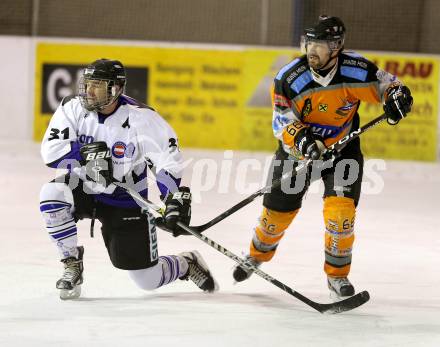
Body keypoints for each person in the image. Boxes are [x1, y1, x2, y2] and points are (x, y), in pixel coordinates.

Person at [232, 15, 413, 298]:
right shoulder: (289, 79)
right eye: (309, 43)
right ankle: (257, 254)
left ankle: (337, 277)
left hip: (342, 152)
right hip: (297, 154)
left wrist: (398, 97)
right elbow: (281, 122)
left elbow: (389, 87)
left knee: (341, 216)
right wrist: (304, 140)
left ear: (337, 46)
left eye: (320, 44)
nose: (311, 50)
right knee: (275, 216)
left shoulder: (358, 69)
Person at [39, 58, 218, 300]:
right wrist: (83, 155)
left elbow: (166, 162)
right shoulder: (72, 107)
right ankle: (71, 263)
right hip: (84, 187)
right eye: (88, 83)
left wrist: (172, 199)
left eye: (98, 85)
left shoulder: (142, 119)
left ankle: (187, 263)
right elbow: (50, 152)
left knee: (147, 280)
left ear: (116, 88)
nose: (89, 91)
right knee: (51, 196)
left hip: (125, 201)